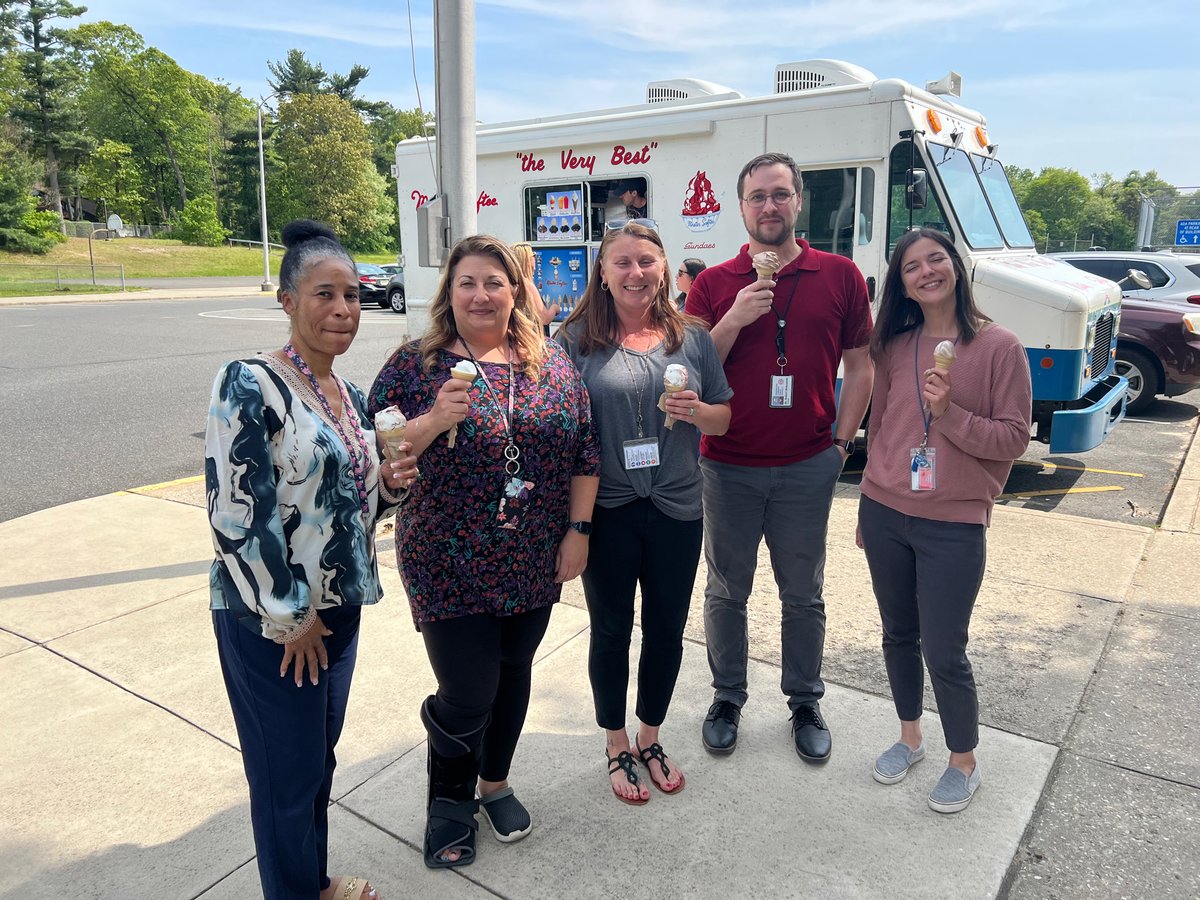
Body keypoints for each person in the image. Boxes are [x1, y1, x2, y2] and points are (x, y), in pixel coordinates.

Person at [367, 235, 600, 867]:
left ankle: (494, 781)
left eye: (494, 282)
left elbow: (583, 450)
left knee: (514, 673)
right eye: (467, 282)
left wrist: (578, 532)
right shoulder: (414, 366)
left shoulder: (549, 364)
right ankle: (449, 800)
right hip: (446, 553)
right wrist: (437, 418)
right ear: (450, 290)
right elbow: (381, 453)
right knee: (469, 689)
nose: (480, 295)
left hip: (531, 553)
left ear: (515, 291)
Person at [206, 219, 417, 900]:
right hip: (278, 624)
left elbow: (352, 513)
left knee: (314, 764)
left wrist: (389, 485)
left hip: (340, 611)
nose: (343, 310)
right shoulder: (249, 383)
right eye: (324, 294)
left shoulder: (352, 400)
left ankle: (311, 881)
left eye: (353, 296)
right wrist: (290, 616)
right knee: (285, 773)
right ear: (288, 300)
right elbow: (238, 513)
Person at [685, 151, 874, 764]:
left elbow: (860, 364)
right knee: (725, 590)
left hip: (807, 464)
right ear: (741, 208)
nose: (769, 206)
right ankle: (728, 696)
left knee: (803, 591)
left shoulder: (840, 274)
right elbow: (689, 370)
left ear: (798, 201)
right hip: (729, 464)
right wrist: (735, 318)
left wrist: (842, 445)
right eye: (757, 197)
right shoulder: (714, 284)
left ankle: (803, 700)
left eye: (780, 194)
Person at [856, 228, 1031, 813]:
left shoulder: (998, 346)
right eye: (912, 266)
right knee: (897, 636)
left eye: (936, 259)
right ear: (901, 283)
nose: (926, 271)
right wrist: (867, 506)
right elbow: (879, 428)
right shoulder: (894, 345)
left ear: (956, 266)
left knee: (945, 649)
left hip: (952, 524)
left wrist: (948, 413)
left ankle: (964, 760)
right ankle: (910, 737)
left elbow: (1012, 441)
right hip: (885, 512)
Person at [558, 221, 732, 805]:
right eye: (623, 263)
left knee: (665, 632)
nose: (636, 273)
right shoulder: (575, 340)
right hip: (607, 510)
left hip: (678, 507)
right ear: (603, 273)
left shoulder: (694, 338)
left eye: (647, 261)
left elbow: (724, 420)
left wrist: (698, 410)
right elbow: (560, 432)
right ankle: (615, 743)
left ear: (664, 268)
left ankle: (650, 736)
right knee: (610, 631)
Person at [511, 242, 559, 335]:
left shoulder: (512, 284)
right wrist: (554, 308)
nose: (535, 259)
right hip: (533, 339)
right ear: (527, 261)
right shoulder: (527, 285)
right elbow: (545, 318)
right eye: (533, 255)